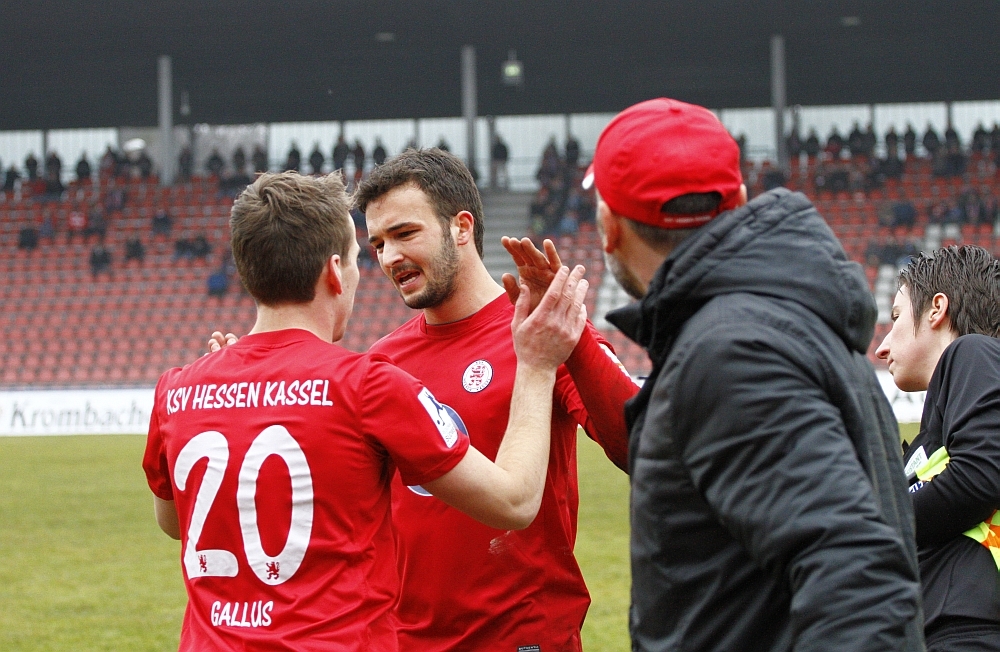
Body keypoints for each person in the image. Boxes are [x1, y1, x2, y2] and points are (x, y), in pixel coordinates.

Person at [211, 149, 636, 650]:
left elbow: (639, 445)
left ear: (461, 227)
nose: (389, 257)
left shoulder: (542, 332)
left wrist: (577, 340)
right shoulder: (381, 363)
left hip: (521, 638)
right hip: (403, 640)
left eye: (405, 234)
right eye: (377, 243)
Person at [588, 98, 923, 651]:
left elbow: (859, 587)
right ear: (740, 202)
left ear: (608, 227)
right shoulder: (780, 320)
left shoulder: (730, 352)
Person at [875, 245, 1000, 651]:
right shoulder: (942, 425)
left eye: (895, 318)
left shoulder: (973, 351)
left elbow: (978, 477)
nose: (881, 347)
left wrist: (871, 527)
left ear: (937, 309)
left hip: (968, 627)